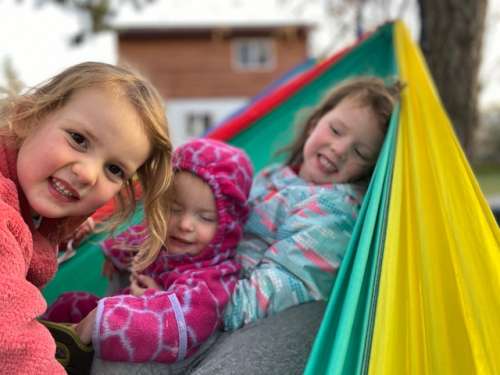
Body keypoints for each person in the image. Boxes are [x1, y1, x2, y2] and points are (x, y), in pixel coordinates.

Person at [190, 76, 403, 374]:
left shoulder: (335, 212)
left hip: (239, 319)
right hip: (204, 293)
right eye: (336, 129)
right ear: (315, 122)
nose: (339, 148)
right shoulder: (272, 176)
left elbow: (271, 294)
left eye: (360, 152)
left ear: (369, 170)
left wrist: (184, 299)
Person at [0, 61, 173, 374]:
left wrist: (57, 233)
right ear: (29, 116)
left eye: (114, 169)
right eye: (78, 139)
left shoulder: (28, 211)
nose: (88, 173)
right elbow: (10, 340)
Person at [42, 138, 253, 370]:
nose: (185, 224)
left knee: (116, 362)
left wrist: (107, 319)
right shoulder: (163, 240)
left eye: (205, 217)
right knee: (70, 304)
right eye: (174, 209)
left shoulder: (212, 276)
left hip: (160, 352)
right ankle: (34, 353)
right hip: (123, 320)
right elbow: (141, 234)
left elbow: (183, 324)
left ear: (227, 226)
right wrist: (116, 253)